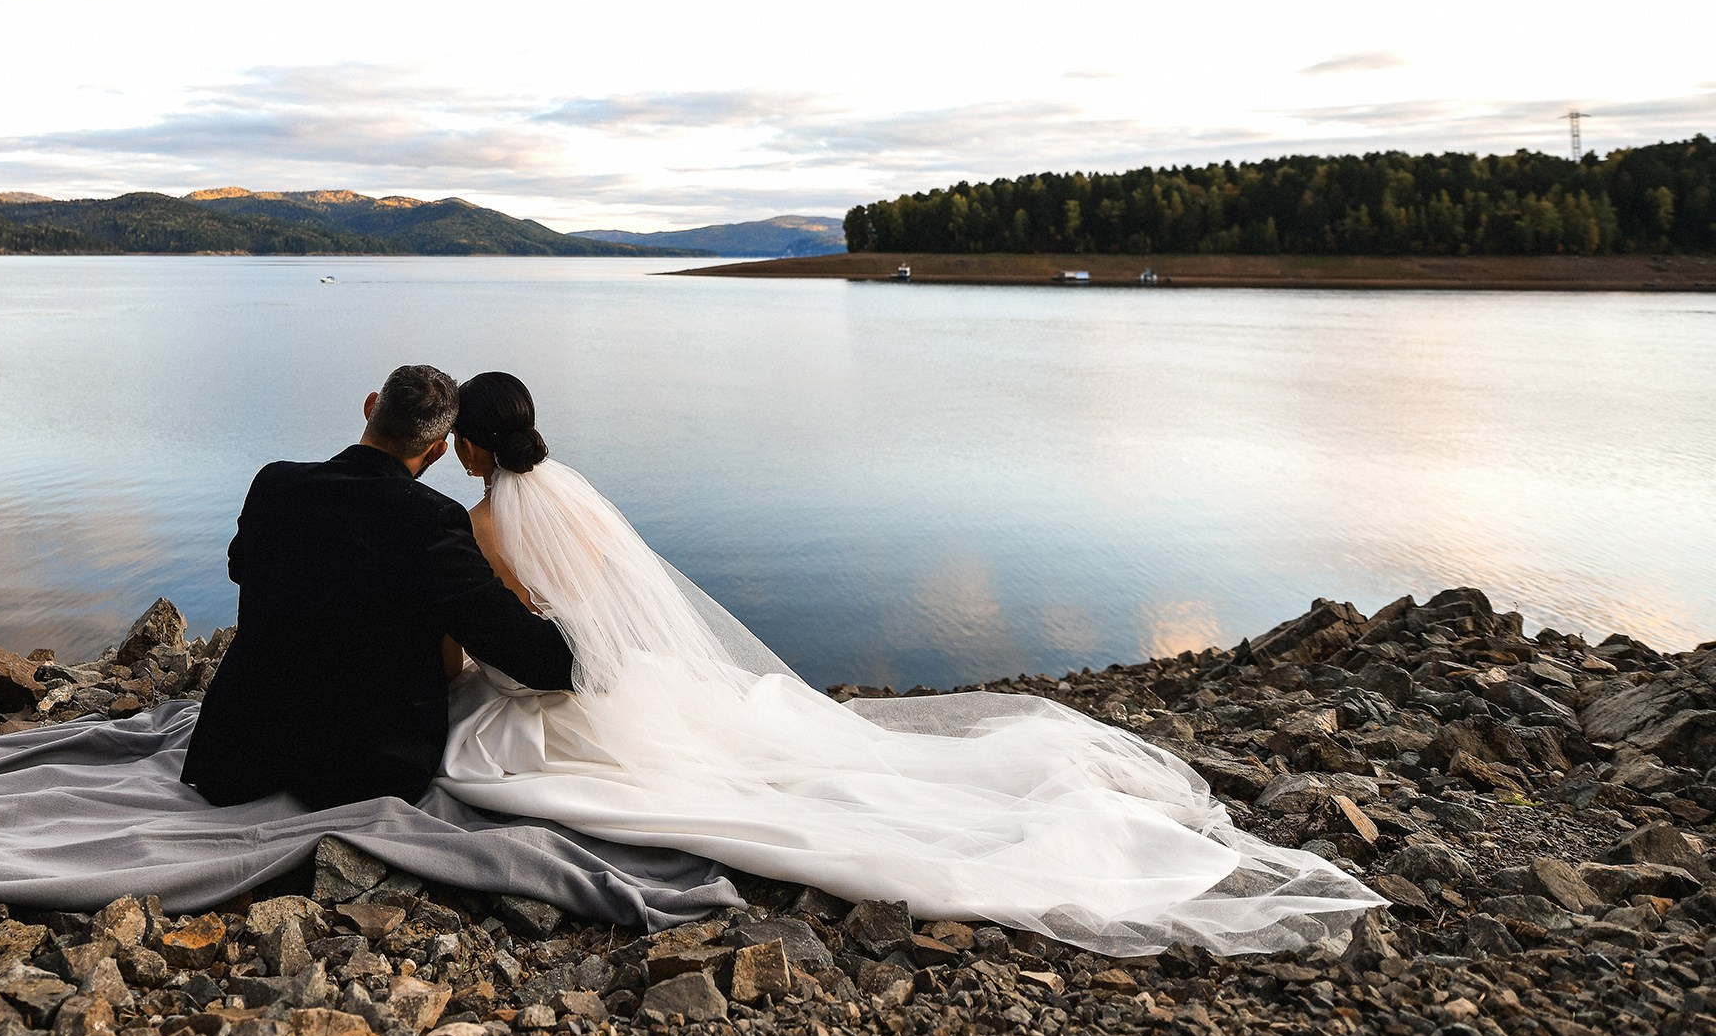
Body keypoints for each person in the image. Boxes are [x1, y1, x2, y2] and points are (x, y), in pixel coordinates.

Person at [435, 370, 1386, 958]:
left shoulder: (480, 524)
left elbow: (503, 635)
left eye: (459, 440)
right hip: (629, 675)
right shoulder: (581, 501)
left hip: (563, 693)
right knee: (786, 753)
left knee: (473, 753)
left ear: (473, 442)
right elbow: (599, 603)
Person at [180, 364, 577, 808]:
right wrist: (597, 651)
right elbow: (515, 645)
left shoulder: (274, 483)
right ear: (438, 450)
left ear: (371, 406)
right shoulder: (434, 522)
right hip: (362, 767)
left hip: (239, 753)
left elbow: (241, 567)